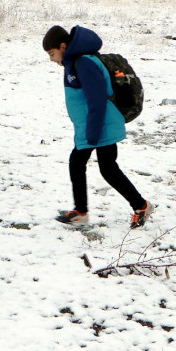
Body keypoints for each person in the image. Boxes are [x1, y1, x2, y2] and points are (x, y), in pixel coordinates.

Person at [43, 25, 153, 228]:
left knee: (95, 166)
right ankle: (85, 211)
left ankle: (137, 206)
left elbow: (97, 100)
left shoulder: (83, 62)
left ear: (63, 46)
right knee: (100, 166)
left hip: (100, 124)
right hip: (94, 125)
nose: (52, 59)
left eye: (52, 53)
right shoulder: (75, 62)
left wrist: (92, 133)